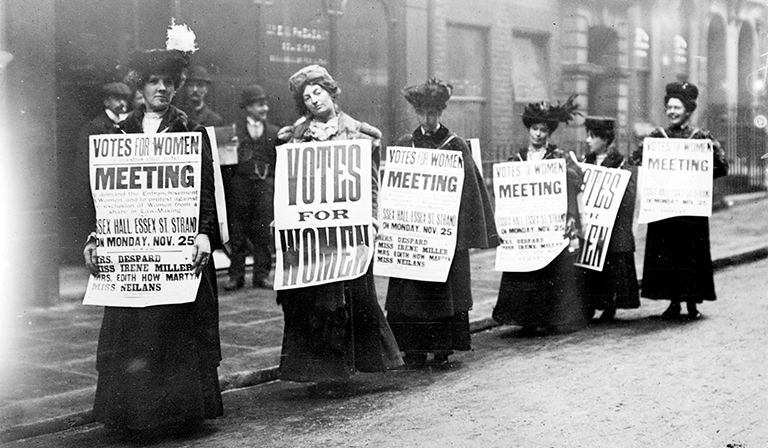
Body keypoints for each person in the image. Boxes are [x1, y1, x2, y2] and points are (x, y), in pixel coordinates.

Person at [82, 23, 223, 437]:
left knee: (174, 330)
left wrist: (205, 234)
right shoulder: (117, 134)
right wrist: (94, 236)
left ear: (177, 86)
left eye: (168, 82)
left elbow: (207, 193)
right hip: (133, 253)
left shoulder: (191, 133)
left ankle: (177, 415)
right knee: (135, 331)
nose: (161, 89)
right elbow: (102, 196)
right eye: (153, 82)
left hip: (176, 251)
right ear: (139, 87)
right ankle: (132, 414)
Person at [276, 64, 402, 393]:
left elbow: (372, 185)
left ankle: (346, 369)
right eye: (306, 97)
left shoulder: (360, 135)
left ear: (332, 93)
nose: (314, 100)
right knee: (312, 299)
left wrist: (374, 217)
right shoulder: (296, 136)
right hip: (310, 235)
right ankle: (319, 371)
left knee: (348, 298)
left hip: (349, 231)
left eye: (318, 92)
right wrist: (282, 213)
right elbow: (288, 184)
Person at [385, 79, 498, 368]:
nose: (428, 119)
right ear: (416, 114)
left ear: (441, 113)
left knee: (441, 294)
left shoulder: (455, 145)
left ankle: (441, 347)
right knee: (412, 294)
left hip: (443, 236)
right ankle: (413, 348)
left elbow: (471, 192)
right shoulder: (404, 145)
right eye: (423, 113)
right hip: (413, 235)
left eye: (433, 113)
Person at [630, 81, 728, 320]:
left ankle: (693, 302)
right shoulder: (656, 137)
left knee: (690, 254)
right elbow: (637, 159)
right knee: (668, 254)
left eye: (677, 107)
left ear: (688, 110)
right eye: (669, 107)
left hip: (690, 210)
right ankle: (673, 302)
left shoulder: (701, 138)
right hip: (665, 209)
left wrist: (702, 171)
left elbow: (721, 167)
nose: (672, 111)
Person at [492, 95, 587, 336]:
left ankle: (551, 317)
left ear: (549, 132)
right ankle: (525, 318)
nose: (538, 134)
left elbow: (577, 180)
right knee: (526, 270)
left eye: (543, 130)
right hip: (526, 226)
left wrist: (567, 172)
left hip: (550, 225)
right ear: (528, 129)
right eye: (534, 129)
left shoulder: (558, 157)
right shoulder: (517, 159)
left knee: (550, 270)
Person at [579, 116, 640, 322]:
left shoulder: (620, 163)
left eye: (592, 136)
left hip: (610, 226)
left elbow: (627, 194)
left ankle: (608, 304)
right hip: (590, 224)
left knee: (609, 266)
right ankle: (588, 305)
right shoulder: (585, 161)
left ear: (605, 140)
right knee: (587, 265)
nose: (588, 140)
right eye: (588, 136)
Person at [224, 85, 278, 290]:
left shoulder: (273, 131)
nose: (264, 108)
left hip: (265, 186)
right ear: (247, 107)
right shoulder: (233, 132)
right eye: (259, 104)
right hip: (241, 186)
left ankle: (261, 276)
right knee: (237, 232)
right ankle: (236, 276)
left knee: (263, 232)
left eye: (265, 104)